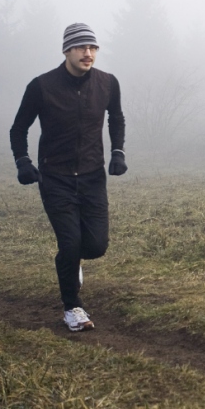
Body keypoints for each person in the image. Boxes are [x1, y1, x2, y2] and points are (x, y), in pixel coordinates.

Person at [9, 22, 127, 331]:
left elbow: (116, 117)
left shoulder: (107, 83)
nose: (89, 54)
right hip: (56, 177)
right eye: (81, 48)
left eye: (93, 48)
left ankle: (70, 262)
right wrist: (23, 161)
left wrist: (118, 152)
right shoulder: (42, 86)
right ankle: (72, 307)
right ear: (67, 50)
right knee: (70, 241)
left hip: (92, 176)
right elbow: (18, 128)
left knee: (97, 245)